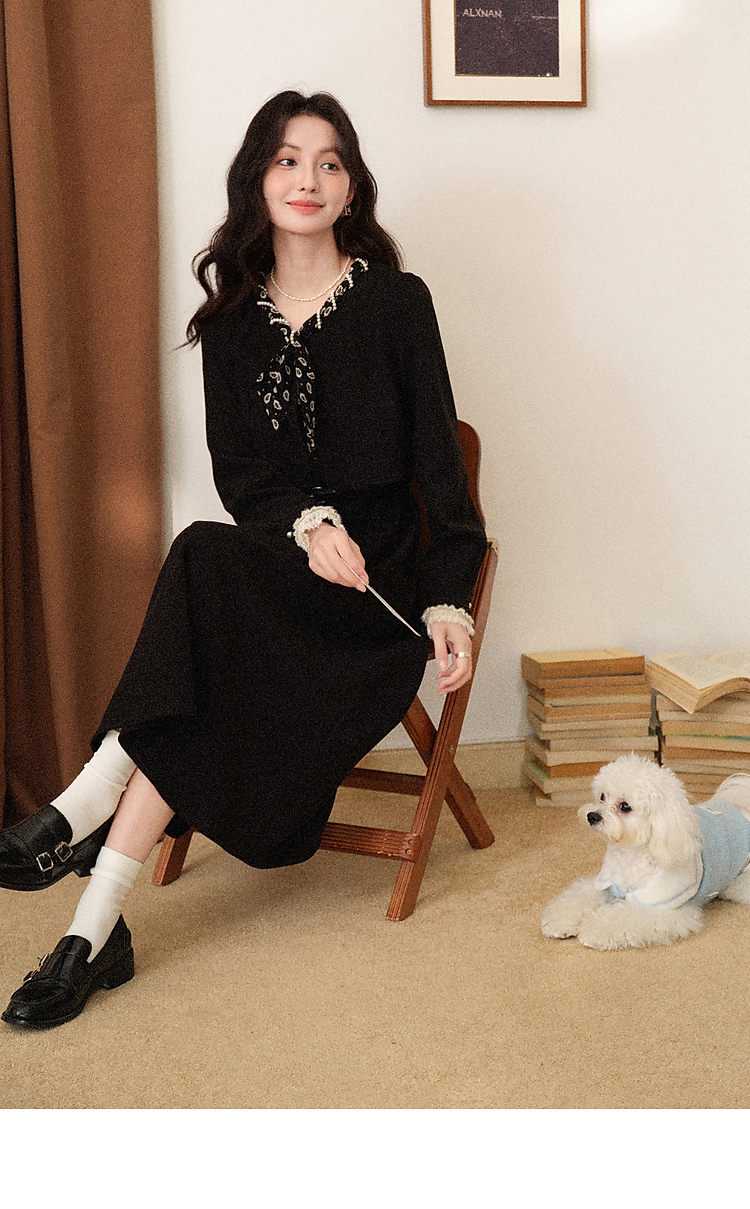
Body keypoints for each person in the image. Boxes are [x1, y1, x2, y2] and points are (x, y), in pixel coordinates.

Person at [0, 91, 487, 1029]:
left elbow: (440, 468)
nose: (309, 178)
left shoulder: (398, 302)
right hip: (281, 572)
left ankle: (86, 814)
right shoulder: (228, 321)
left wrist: (446, 602)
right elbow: (243, 478)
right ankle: (92, 929)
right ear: (258, 180)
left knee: (198, 573)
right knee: (208, 569)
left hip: (372, 591)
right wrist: (308, 525)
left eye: (330, 162)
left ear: (352, 188)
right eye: (287, 160)